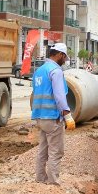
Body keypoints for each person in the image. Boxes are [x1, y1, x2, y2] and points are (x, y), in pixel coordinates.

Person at [31, 43, 76, 184]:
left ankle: (40, 179)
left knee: (43, 150)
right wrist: (67, 115)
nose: (65, 61)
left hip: (39, 116)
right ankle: (53, 183)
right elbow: (59, 96)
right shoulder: (55, 71)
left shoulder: (39, 71)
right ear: (60, 55)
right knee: (56, 152)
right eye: (64, 57)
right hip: (52, 116)